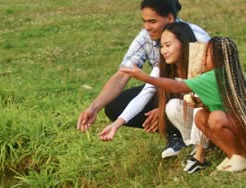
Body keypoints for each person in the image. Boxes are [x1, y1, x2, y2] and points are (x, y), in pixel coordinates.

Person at [76, 0, 209, 158]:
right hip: (171, 92)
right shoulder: (150, 44)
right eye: (144, 21)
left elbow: (207, 87)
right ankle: (177, 134)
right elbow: (126, 76)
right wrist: (97, 110)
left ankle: (204, 140)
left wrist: (163, 109)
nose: (147, 27)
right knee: (115, 105)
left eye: (152, 21)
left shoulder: (196, 38)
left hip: (202, 94)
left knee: (176, 105)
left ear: (170, 19)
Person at [120, 37, 246, 172]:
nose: (203, 58)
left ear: (220, 59)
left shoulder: (214, 76)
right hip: (236, 128)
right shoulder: (228, 75)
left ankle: (240, 156)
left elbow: (177, 87)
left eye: (208, 54)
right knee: (201, 117)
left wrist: (144, 77)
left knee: (216, 118)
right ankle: (232, 155)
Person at [100, 22, 210, 173]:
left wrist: (144, 77)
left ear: (183, 44)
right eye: (161, 46)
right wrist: (116, 124)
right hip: (196, 118)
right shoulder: (163, 66)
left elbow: (196, 96)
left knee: (196, 102)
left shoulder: (200, 63)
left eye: (168, 45)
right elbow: (143, 96)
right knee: (172, 107)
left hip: (214, 116)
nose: (163, 51)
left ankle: (200, 156)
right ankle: (194, 145)